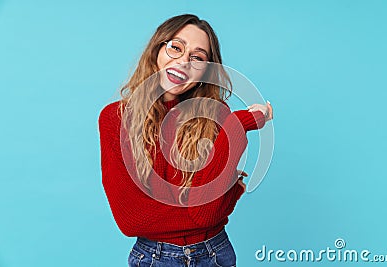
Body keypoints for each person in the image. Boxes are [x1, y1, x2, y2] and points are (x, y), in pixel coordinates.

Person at [98, 14, 273, 267]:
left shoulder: (218, 115)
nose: (183, 62)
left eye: (198, 57)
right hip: (154, 257)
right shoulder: (115, 119)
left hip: (216, 253)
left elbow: (206, 213)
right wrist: (227, 193)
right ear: (157, 49)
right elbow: (132, 220)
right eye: (176, 48)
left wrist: (237, 124)